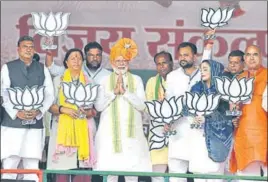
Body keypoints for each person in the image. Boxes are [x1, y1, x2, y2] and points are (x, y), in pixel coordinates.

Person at [94, 38, 152, 182]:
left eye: (124, 61)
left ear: (128, 62)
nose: (121, 64)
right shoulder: (104, 81)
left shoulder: (137, 80)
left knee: (132, 174)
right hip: (109, 136)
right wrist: (113, 93)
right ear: (112, 62)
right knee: (111, 174)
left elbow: (142, 106)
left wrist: (125, 92)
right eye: (118, 61)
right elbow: (98, 106)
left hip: (131, 136)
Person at [1, 35, 54, 181]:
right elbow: (4, 94)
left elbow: (50, 94)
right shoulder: (8, 67)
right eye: (25, 46)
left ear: (35, 49)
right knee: (10, 164)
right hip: (12, 124)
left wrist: (39, 111)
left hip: (35, 124)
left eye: (31, 47)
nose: (28, 49)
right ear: (18, 49)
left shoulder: (42, 69)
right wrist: (16, 112)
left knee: (32, 166)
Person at [165, 30, 214, 182]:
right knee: (176, 174)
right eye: (180, 55)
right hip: (178, 130)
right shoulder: (172, 76)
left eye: (186, 55)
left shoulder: (203, 74)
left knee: (200, 173)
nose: (183, 58)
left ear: (194, 56)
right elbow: (168, 103)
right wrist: (166, 121)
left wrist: (209, 43)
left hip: (198, 132)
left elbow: (208, 60)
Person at [47, 48, 97, 171]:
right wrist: (64, 109)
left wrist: (86, 113)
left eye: (79, 58)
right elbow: (48, 105)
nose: (76, 61)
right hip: (61, 129)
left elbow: (94, 110)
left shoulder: (89, 81)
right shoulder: (58, 80)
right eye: (73, 58)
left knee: (81, 170)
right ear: (66, 62)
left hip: (82, 129)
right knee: (62, 168)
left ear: (83, 62)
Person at [189, 59, 234, 182]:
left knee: (215, 175)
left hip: (217, 138)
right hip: (199, 137)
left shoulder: (224, 91)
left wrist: (208, 117)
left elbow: (227, 115)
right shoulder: (196, 88)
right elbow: (189, 108)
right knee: (198, 174)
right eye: (201, 69)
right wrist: (194, 118)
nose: (202, 72)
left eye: (205, 69)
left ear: (214, 71)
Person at [229, 45, 267, 181]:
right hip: (244, 133)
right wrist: (232, 114)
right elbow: (232, 109)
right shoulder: (239, 78)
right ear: (244, 58)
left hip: (264, 132)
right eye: (249, 55)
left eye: (255, 54)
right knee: (246, 177)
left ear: (260, 57)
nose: (252, 58)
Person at [145, 51, 173, 182]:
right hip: (158, 132)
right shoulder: (152, 82)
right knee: (157, 173)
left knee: (176, 172)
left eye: (164, 63)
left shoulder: (180, 79)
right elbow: (148, 107)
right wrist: (160, 107)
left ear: (171, 64)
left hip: (176, 131)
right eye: (158, 64)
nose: (162, 66)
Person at [45, 41, 111, 85]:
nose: (95, 58)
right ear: (85, 56)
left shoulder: (109, 75)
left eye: (98, 55)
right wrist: (49, 52)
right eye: (91, 55)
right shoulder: (75, 68)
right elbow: (52, 68)